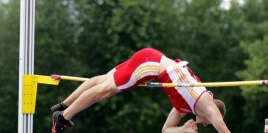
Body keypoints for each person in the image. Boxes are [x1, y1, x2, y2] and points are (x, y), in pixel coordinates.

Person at [51, 48, 231, 133]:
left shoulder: (183, 108)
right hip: (150, 65)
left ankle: (62, 105)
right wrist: (215, 119)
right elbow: (222, 127)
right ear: (213, 112)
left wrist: (182, 129)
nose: (207, 124)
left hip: (150, 59)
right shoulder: (205, 101)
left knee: (103, 79)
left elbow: (166, 130)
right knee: (105, 90)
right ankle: (63, 118)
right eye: (209, 122)